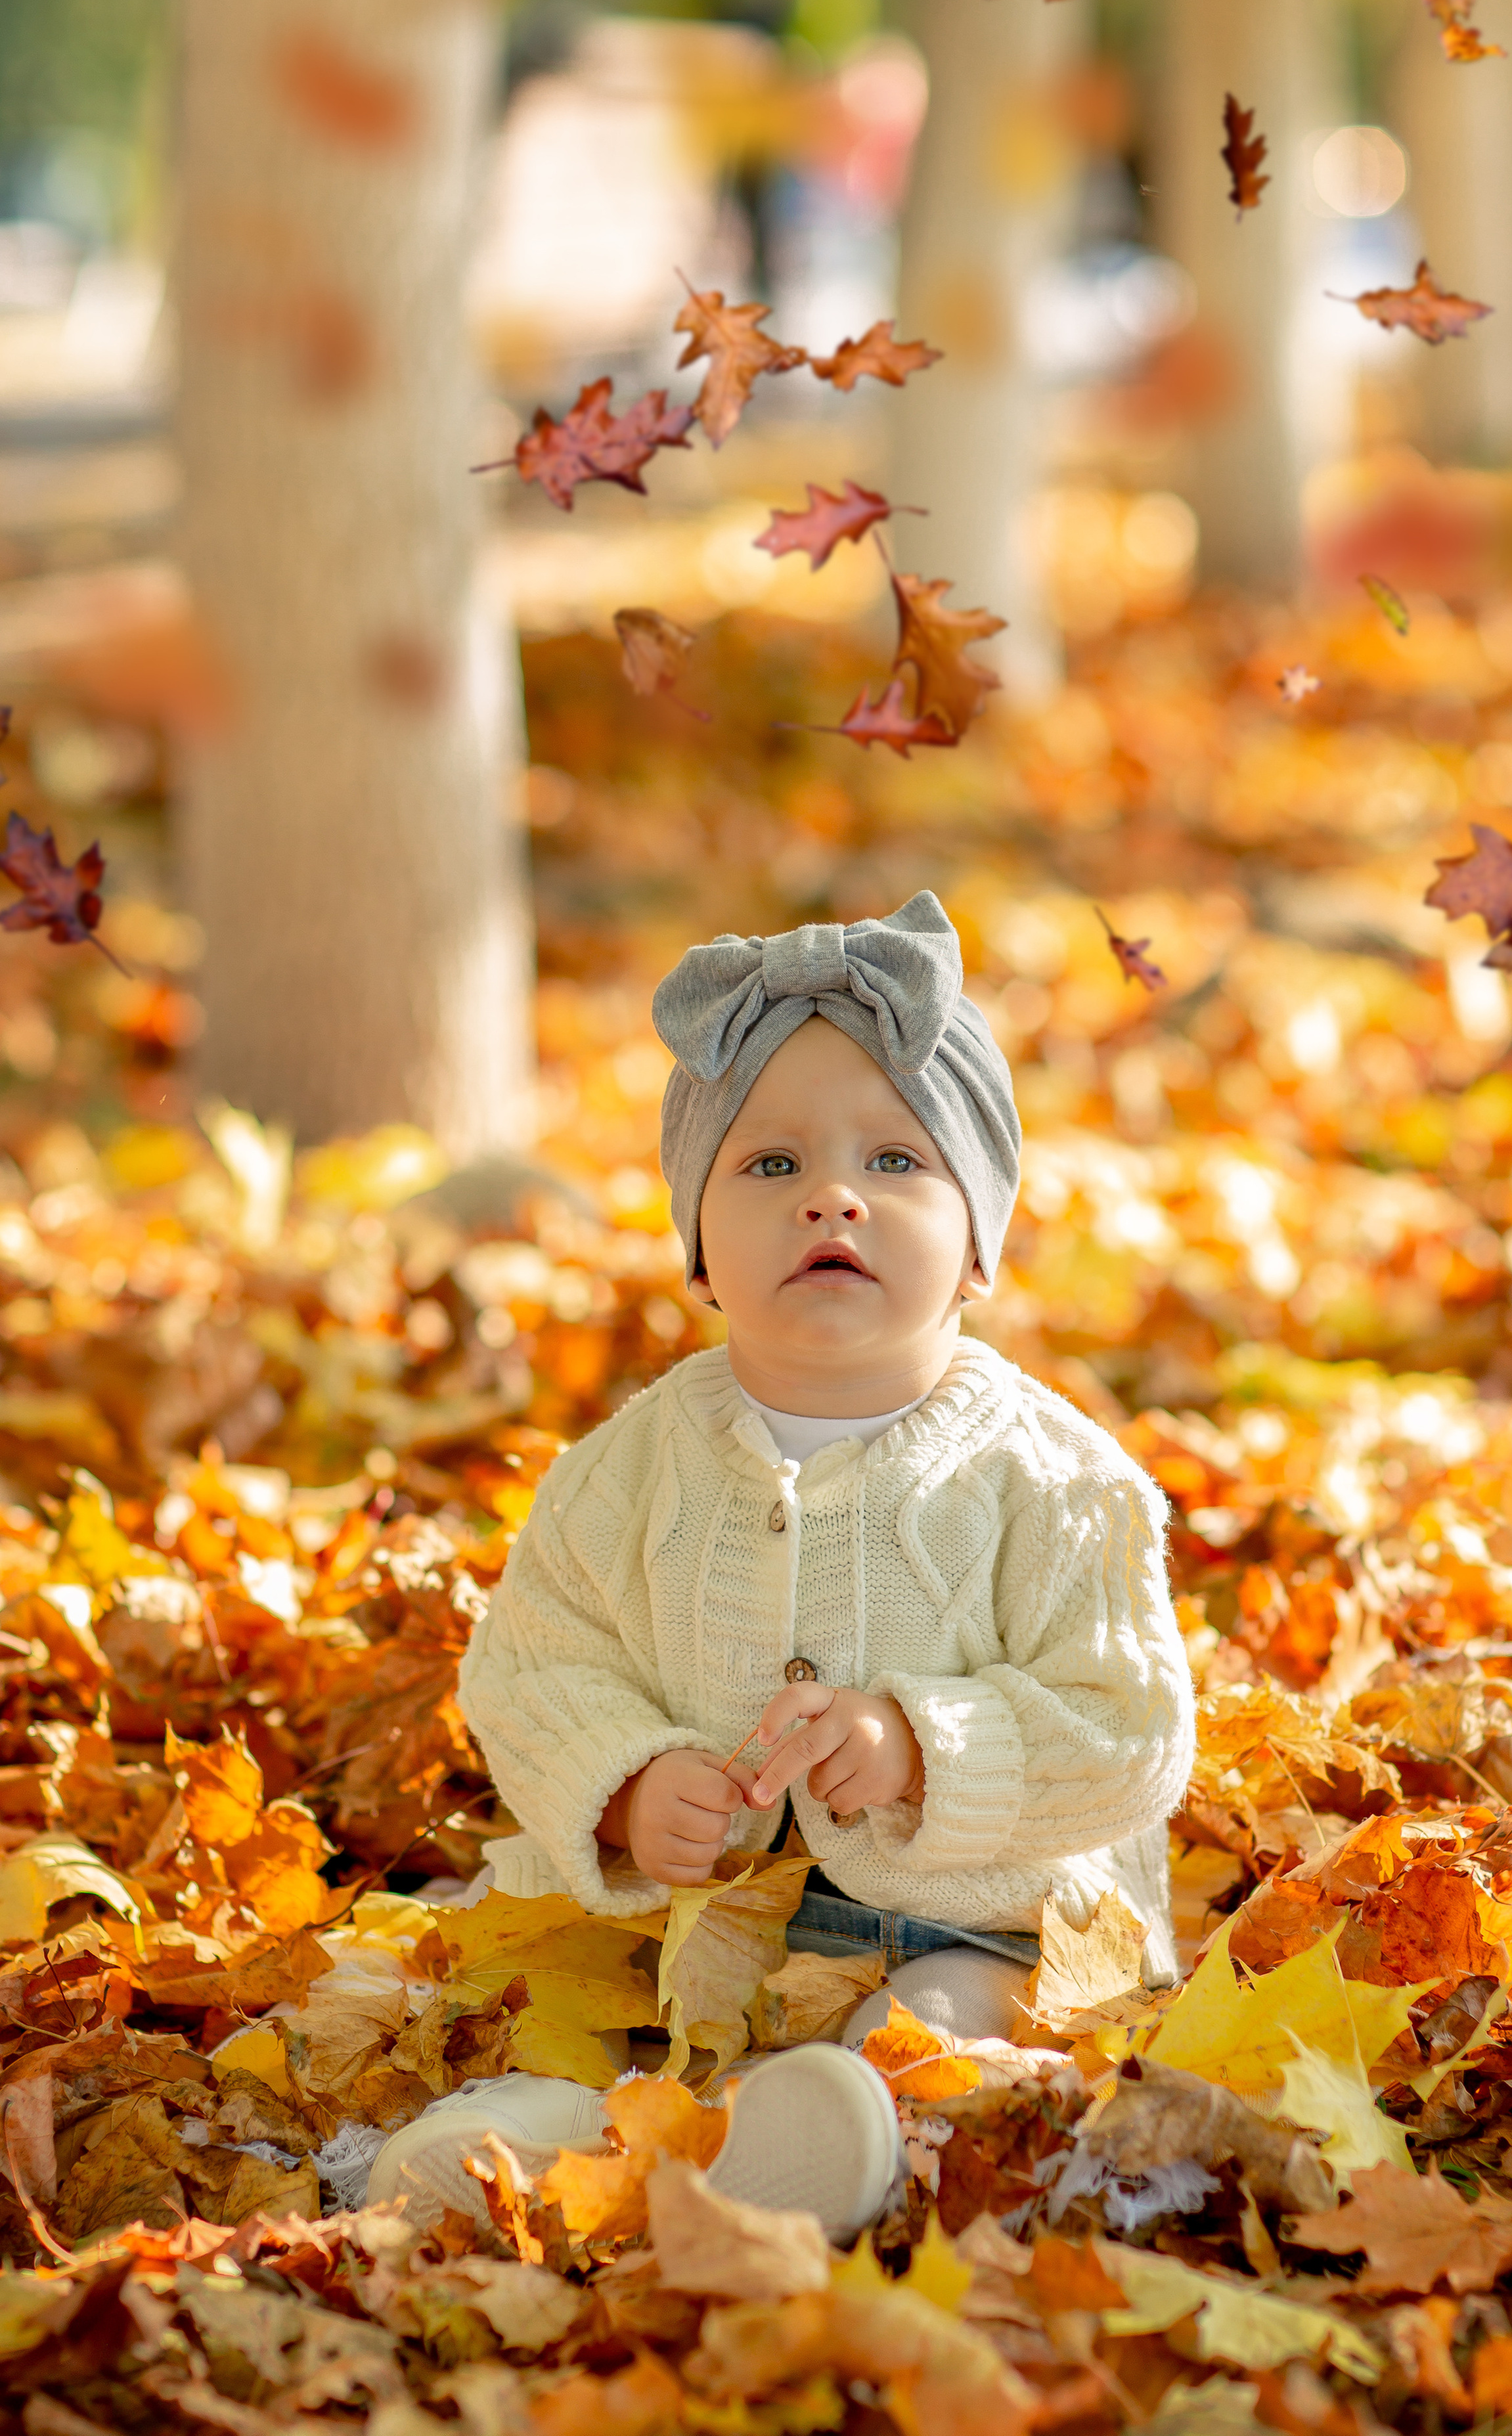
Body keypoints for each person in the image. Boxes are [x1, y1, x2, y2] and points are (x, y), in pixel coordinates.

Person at [365, 891, 1193, 2241]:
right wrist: (625, 1785)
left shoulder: (1053, 1478)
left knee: (944, 2039)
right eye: (767, 1168)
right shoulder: (631, 1467)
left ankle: (821, 2137)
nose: (832, 1193)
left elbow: (1130, 1729)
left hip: (979, 1925)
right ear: (697, 1251)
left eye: (896, 1160)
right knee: (612, 2008)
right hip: (701, 1928)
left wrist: (925, 1745)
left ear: (979, 1248)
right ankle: (573, 2141)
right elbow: (534, 1663)